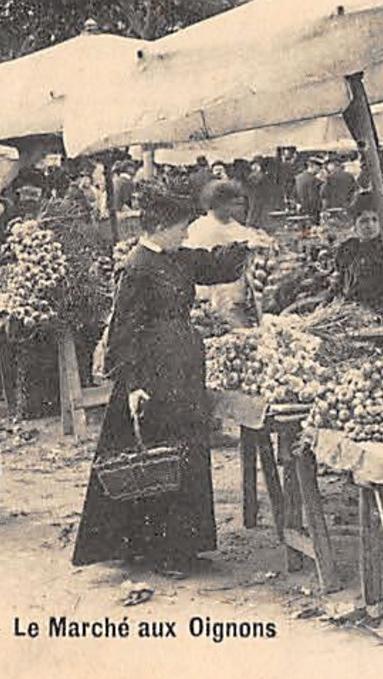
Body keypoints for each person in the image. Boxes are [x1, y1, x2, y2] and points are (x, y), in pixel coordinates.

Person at [71, 184, 255, 572]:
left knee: (184, 453)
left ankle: (185, 545)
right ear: (159, 227)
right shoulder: (137, 267)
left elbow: (214, 264)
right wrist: (133, 384)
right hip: (153, 374)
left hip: (182, 367)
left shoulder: (177, 257)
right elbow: (123, 330)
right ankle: (161, 551)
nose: (187, 234)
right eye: (181, 227)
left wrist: (247, 245)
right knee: (159, 457)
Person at [184, 179, 272, 326]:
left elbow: (244, 234)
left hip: (236, 291)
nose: (238, 209)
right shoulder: (202, 228)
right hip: (216, 294)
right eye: (234, 204)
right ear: (220, 204)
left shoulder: (230, 222)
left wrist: (259, 237)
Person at [324, 191, 383, 323]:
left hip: (382, 312)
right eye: (364, 221)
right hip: (349, 311)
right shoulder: (347, 249)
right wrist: (326, 305)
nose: (370, 225)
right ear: (355, 225)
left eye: (374, 220)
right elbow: (338, 282)